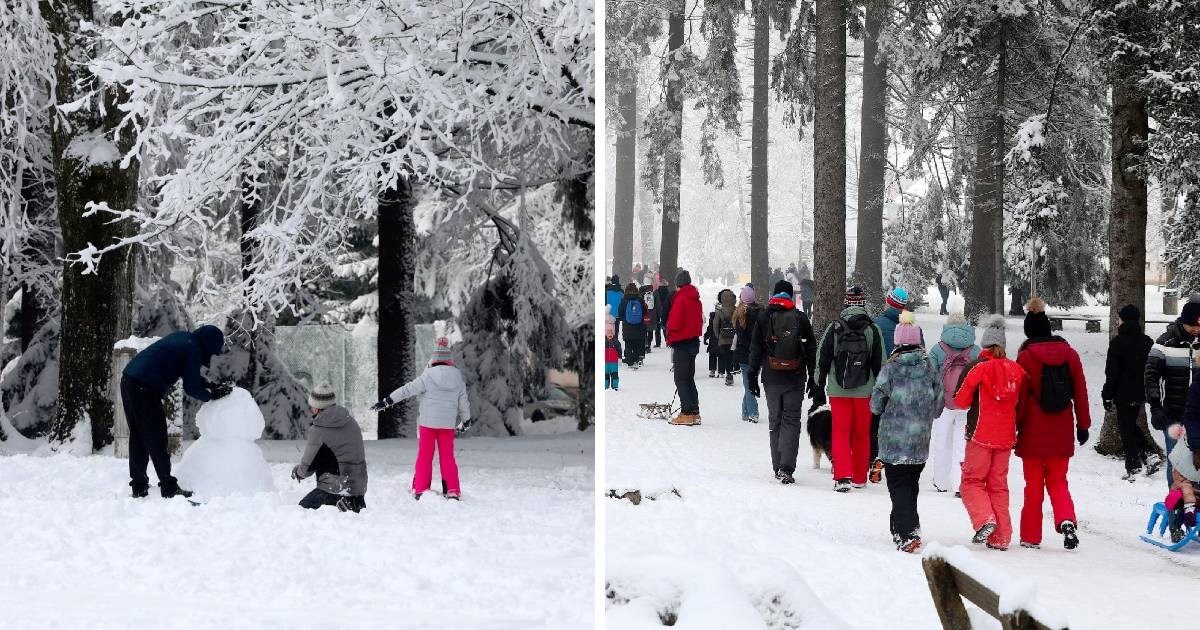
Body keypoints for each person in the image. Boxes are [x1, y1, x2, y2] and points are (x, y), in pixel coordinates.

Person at [1014, 298, 1090, 550]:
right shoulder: (1070, 354)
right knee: (1058, 480)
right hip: (1061, 430)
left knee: (1033, 486)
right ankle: (1066, 519)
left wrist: (1014, 426)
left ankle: (1031, 536)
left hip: (1033, 433)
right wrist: (1083, 425)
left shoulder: (1025, 358)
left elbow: (1020, 400)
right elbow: (1080, 391)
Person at [121, 324, 230, 498]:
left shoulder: (185, 339)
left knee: (139, 436)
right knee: (156, 436)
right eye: (212, 351)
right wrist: (212, 395)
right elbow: (191, 387)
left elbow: (188, 374)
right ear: (208, 345)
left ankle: (139, 486)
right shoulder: (193, 348)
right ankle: (168, 487)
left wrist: (209, 385)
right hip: (144, 387)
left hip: (129, 380)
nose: (210, 356)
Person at [952, 315, 1026, 551]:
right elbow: (1020, 402)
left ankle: (985, 520)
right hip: (1005, 437)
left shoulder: (976, 367)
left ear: (984, 345)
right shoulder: (1016, 370)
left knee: (971, 482)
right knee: (998, 486)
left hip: (980, 435)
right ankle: (1002, 537)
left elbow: (960, 401)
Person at [871, 312, 943, 552]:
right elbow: (939, 400)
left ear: (898, 342)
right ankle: (901, 527)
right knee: (911, 484)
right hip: (919, 440)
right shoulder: (929, 366)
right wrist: (926, 415)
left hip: (894, 441)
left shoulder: (890, 369)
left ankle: (908, 533)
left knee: (899, 486)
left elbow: (876, 403)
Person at [372, 338, 471, 500]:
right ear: (449, 361)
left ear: (433, 360)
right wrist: (466, 420)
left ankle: (421, 489)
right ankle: (452, 490)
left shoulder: (427, 377)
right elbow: (464, 403)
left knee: (425, 455)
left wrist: (387, 401)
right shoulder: (458, 379)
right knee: (447, 457)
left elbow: (406, 390)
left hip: (428, 424)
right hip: (447, 425)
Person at [747, 280, 818, 484]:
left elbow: (755, 349)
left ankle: (777, 465)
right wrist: (814, 378)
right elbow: (811, 349)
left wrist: (752, 375)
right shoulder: (800, 317)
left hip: (771, 377)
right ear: (790, 296)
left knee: (775, 420)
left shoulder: (764, 317)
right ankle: (787, 467)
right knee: (791, 420)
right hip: (795, 377)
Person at [816, 286, 884, 492]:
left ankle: (842, 476)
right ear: (863, 304)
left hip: (839, 390)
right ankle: (859, 477)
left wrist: (819, 385)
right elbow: (881, 364)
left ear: (846, 304)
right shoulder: (873, 329)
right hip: (865, 392)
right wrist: (881, 390)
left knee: (840, 432)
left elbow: (822, 358)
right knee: (862, 433)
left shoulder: (834, 328)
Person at [1103, 304, 1162, 480]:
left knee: (1126, 428)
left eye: (1119, 318)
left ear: (1123, 320)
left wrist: (1107, 395)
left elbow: (1111, 373)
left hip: (1122, 393)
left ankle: (1134, 465)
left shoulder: (1117, 342)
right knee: (1128, 425)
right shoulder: (1147, 341)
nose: (1117, 321)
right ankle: (1148, 456)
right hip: (1141, 392)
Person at [1145, 300, 1200, 486]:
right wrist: (1155, 407)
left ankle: (1194, 509)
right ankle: (1175, 511)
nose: (1196, 329)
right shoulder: (1165, 343)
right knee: (1176, 464)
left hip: (1198, 417)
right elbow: (1151, 376)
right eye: (1193, 324)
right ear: (1183, 321)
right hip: (1173, 416)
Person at [292, 382, 368, 512]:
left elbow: (308, 466)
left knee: (301, 512)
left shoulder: (318, 430)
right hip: (358, 488)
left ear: (317, 407)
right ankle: (348, 503)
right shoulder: (351, 421)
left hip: (335, 489)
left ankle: (342, 502)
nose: (310, 408)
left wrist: (297, 472)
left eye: (312, 405)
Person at [928, 313, 981, 495]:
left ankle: (941, 482)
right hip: (966, 404)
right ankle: (961, 483)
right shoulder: (975, 350)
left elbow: (930, 376)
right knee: (962, 443)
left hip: (943, 402)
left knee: (941, 441)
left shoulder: (937, 349)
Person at [666, 269, 704, 426]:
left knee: (680, 379)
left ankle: (687, 413)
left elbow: (675, 323)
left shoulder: (681, 298)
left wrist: (668, 327)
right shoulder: (695, 298)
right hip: (693, 341)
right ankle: (694, 411)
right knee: (688, 378)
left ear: (678, 284)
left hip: (681, 343)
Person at [731, 285, 762, 423]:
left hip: (745, 355)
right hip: (757, 354)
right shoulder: (761, 312)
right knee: (749, 383)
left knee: (748, 384)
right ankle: (749, 411)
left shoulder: (740, 315)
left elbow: (741, 338)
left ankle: (750, 412)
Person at [617, 283, 648, 368]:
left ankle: (629, 361)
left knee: (628, 344)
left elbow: (620, 313)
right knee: (637, 344)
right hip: (639, 327)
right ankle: (637, 360)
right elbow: (645, 312)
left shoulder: (624, 301)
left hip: (627, 327)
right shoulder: (640, 300)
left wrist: (624, 319)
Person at [709, 289, 736, 384]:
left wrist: (717, 335)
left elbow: (715, 324)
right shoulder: (735, 309)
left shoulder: (719, 311)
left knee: (726, 356)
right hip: (734, 338)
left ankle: (728, 373)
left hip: (723, 338)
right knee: (732, 355)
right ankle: (731, 372)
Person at [655, 278, 672, 349]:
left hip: (657, 310)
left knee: (657, 327)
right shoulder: (668, 292)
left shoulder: (656, 292)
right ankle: (667, 341)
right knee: (665, 326)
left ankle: (658, 343)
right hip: (666, 311)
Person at [640, 284, 657, 355]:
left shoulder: (642, 294)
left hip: (644, 314)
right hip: (652, 314)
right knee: (650, 331)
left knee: (644, 330)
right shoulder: (654, 294)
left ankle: (646, 344)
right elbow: (658, 305)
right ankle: (649, 344)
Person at [605, 325, 622, 391]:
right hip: (605, 361)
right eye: (608, 334)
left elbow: (619, 350)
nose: (610, 335)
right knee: (605, 374)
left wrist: (620, 358)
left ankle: (615, 386)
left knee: (614, 374)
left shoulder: (616, 342)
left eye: (611, 334)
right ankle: (605, 385)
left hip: (614, 362)